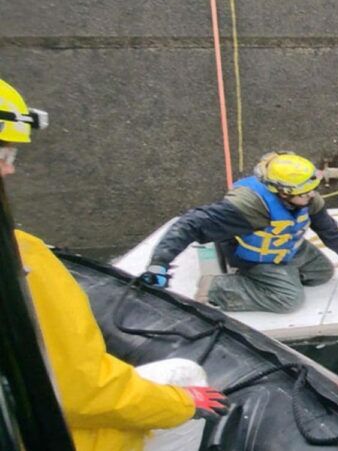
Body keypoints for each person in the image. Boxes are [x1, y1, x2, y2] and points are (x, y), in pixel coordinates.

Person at [1, 77, 228, 450]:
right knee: (186, 378)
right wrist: (180, 404)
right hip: (51, 433)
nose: (10, 169)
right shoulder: (22, 258)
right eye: (6, 154)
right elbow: (79, 390)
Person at [143, 151, 338, 313]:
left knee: (322, 273)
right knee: (289, 301)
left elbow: (329, 231)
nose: (312, 195)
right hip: (256, 257)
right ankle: (216, 287)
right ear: (282, 192)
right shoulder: (248, 205)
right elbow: (190, 224)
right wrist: (159, 263)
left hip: (288, 248)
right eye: (305, 192)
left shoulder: (307, 197)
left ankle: (283, 275)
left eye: (313, 189)